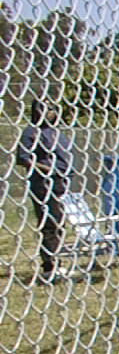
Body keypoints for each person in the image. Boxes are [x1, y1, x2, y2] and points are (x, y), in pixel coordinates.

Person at [16, 98, 73, 282]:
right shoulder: (31, 132)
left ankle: (59, 260)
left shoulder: (56, 132)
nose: (51, 112)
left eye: (53, 109)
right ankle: (50, 266)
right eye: (47, 109)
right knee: (49, 223)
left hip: (62, 181)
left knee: (60, 223)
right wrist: (47, 169)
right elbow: (23, 158)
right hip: (44, 183)